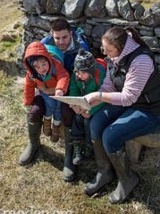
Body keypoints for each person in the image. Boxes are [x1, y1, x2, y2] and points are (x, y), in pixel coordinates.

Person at [83, 26, 160, 204]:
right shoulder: (114, 57)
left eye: (108, 50)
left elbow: (128, 97)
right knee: (95, 124)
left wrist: (98, 96)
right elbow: (109, 86)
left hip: (150, 110)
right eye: (103, 49)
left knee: (110, 136)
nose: (105, 53)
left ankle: (127, 179)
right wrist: (89, 104)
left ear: (121, 48)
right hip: (128, 102)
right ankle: (105, 172)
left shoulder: (141, 60)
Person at [41, 18, 89, 181]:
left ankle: (68, 157)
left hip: (71, 85)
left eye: (65, 37)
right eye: (57, 38)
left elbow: (81, 77)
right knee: (35, 110)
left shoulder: (81, 48)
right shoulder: (44, 45)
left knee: (66, 111)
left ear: (71, 33)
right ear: (51, 35)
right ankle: (34, 144)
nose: (61, 42)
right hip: (49, 85)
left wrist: (63, 90)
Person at [18, 41, 70, 166]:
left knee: (59, 110)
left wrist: (59, 89)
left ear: (48, 59)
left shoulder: (55, 65)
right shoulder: (31, 74)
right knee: (41, 110)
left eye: (44, 63)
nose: (42, 68)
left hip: (59, 94)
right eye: (38, 66)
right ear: (32, 67)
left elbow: (64, 76)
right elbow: (28, 88)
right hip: (44, 95)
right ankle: (35, 141)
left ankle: (57, 129)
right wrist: (28, 101)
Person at [69, 48, 106, 165]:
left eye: (83, 73)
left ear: (91, 71)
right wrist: (75, 104)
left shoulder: (100, 75)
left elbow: (105, 96)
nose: (79, 75)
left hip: (97, 105)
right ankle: (77, 147)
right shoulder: (76, 75)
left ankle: (89, 146)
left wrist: (92, 110)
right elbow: (73, 89)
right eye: (77, 72)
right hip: (83, 103)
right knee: (77, 118)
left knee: (88, 121)